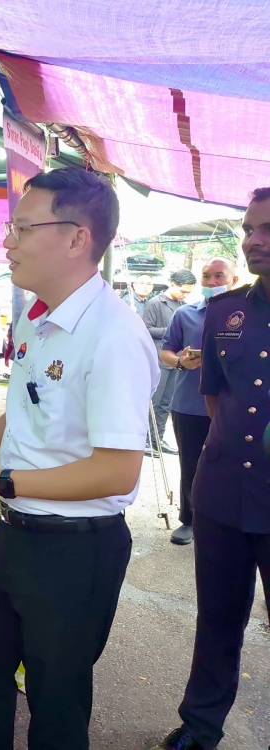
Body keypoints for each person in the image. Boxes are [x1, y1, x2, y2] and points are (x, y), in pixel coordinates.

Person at [0, 168, 158, 750]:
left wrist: (1, 481)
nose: (8, 241)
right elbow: (33, 399)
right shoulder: (38, 317)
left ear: (77, 237)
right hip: (16, 534)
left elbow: (117, 470)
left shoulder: (114, 337)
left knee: (56, 702)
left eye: (23, 228)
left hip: (77, 548)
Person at [155, 189, 270, 750]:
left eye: (268, 229)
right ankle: (200, 728)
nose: (255, 240)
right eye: (250, 229)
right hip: (223, 493)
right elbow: (217, 401)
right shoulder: (227, 311)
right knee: (218, 618)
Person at [159, 258, 239, 545]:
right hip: (189, 405)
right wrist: (180, 361)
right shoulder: (185, 314)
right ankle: (189, 520)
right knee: (191, 464)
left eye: (219, 276)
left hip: (232, 407)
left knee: (231, 465)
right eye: (206, 276)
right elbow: (166, 351)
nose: (212, 282)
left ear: (234, 279)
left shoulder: (245, 317)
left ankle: (225, 520)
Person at [144, 269, 198, 456]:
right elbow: (146, 328)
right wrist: (170, 330)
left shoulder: (183, 305)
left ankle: (157, 439)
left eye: (188, 293)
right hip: (159, 359)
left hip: (177, 361)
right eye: (183, 291)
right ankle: (145, 441)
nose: (185, 295)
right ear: (172, 284)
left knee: (166, 404)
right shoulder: (156, 303)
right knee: (154, 402)